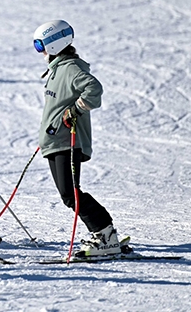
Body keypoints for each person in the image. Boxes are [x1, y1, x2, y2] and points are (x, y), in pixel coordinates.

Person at [32, 20, 122, 256]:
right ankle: (105, 234)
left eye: (40, 44)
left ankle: (105, 235)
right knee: (68, 194)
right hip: (55, 141)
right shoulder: (57, 69)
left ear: (53, 44)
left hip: (67, 140)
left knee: (70, 193)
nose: (39, 51)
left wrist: (76, 110)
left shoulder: (71, 67)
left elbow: (94, 90)